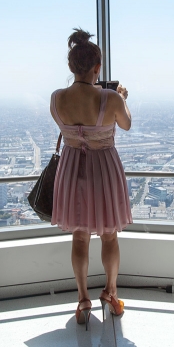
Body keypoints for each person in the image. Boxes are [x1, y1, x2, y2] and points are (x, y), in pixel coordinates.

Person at [50, 29, 133, 328]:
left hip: (72, 170)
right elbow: (126, 125)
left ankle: (82, 299)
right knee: (109, 234)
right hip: (105, 170)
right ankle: (111, 294)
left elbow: (67, 129)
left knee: (79, 236)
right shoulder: (109, 98)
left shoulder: (57, 98)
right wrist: (121, 98)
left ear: (71, 67)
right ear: (97, 67)